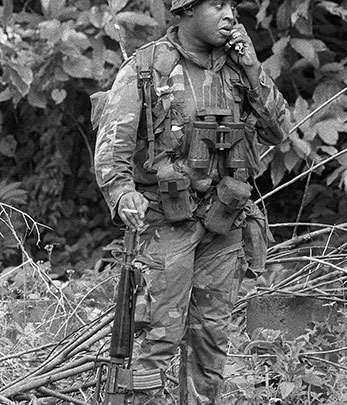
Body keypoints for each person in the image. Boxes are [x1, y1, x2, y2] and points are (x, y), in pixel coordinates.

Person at [92, 0, 290, 403]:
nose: (230, 15)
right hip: (167, 224)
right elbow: (112, 147)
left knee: (211, 338)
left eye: (233, 6)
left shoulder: (239, 67)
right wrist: (121, 193)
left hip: (224, 223)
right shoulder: (147, 68)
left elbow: (278, 131)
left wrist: (254, 70)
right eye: (217, 5)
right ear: (185, 10)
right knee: (157, 336)